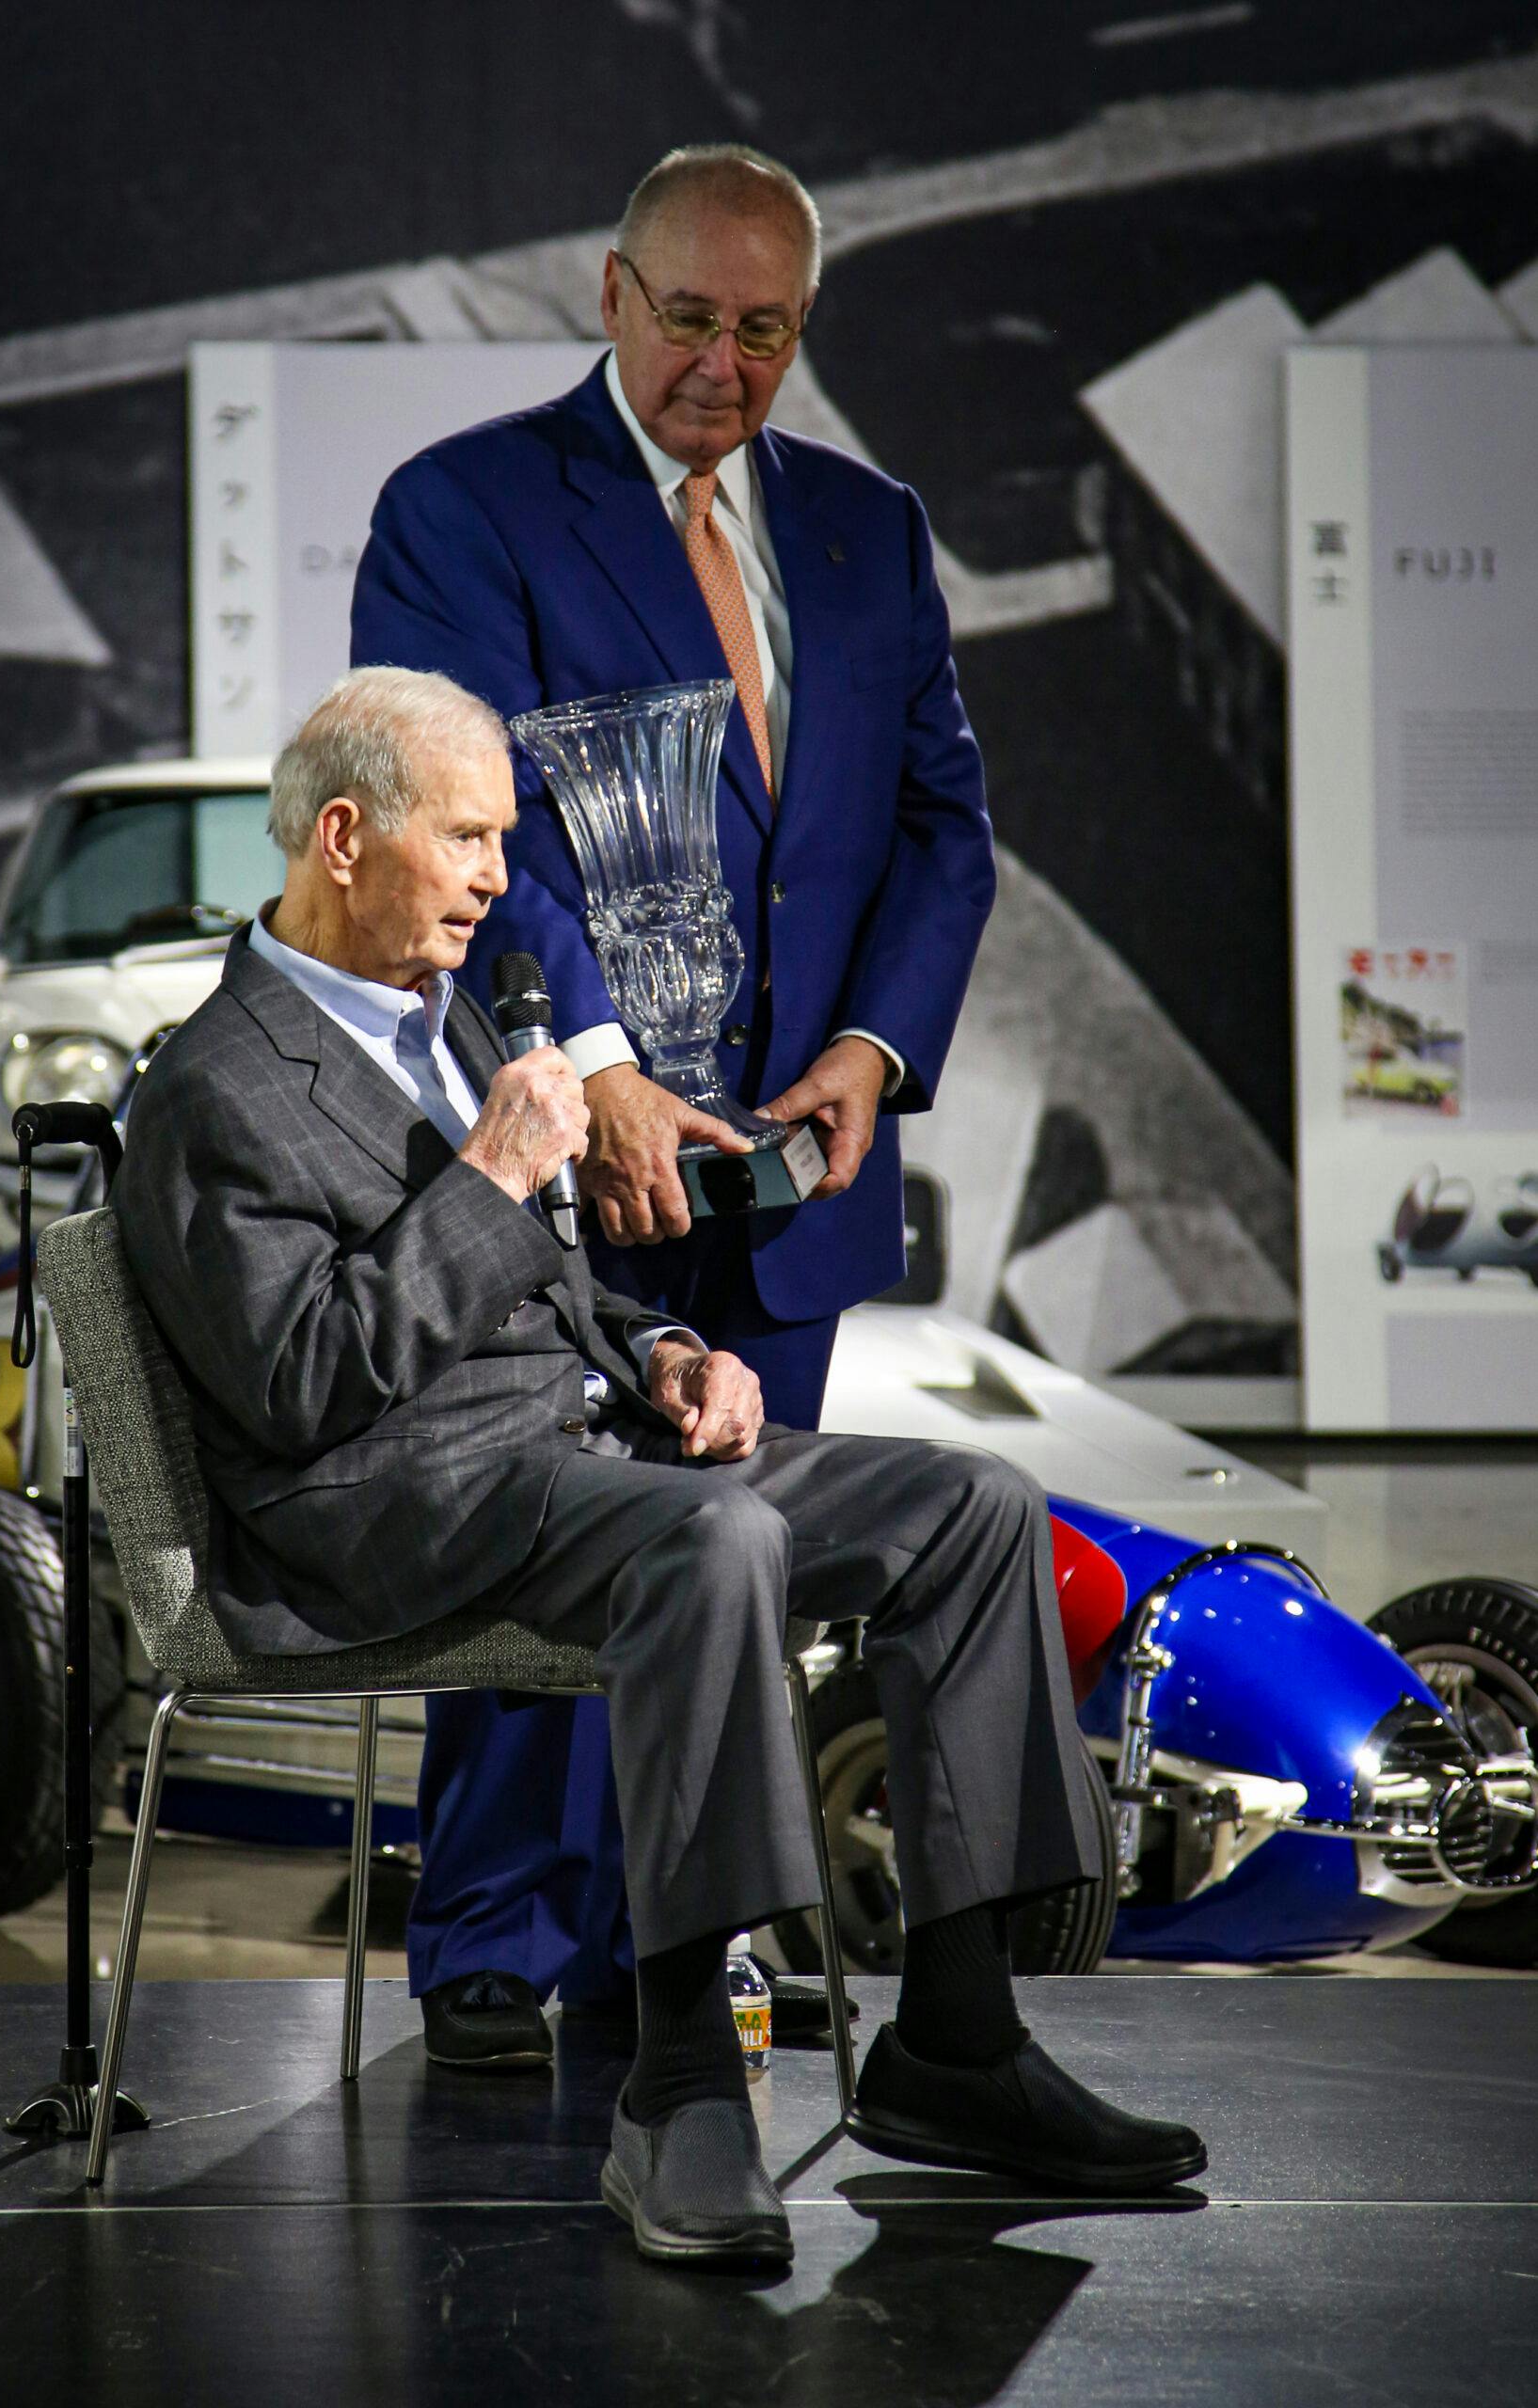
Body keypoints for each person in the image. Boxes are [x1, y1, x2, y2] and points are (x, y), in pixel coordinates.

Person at [113, 669, 1204, 2264]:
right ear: (343, 837)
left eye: (503, 837)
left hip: (574, 1455)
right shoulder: (212, 1085)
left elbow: (555, 1285)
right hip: (378, 1508)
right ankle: (682, 2079)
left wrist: (670, 1357)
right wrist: (497, 1166)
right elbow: (296, 1391)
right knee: (710, 1546)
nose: (499, 875)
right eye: (469, 838)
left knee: (970, 1509)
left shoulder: (451, 1013)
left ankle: (958, 2044)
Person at [349, 144, 997, 2044]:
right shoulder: (464, 507)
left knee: (738, 1559)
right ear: (610, 296)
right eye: (692, 316)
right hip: (563, 1152)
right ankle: (491, 1948)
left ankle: (669, 1932)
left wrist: (871, 1054)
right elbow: (457, 819)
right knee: (543, 1547)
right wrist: (603, 1064)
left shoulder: (871, 530)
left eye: (767, 327)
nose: (724, 361)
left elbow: (941, 831)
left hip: (792, 1168)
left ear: (804, 328)